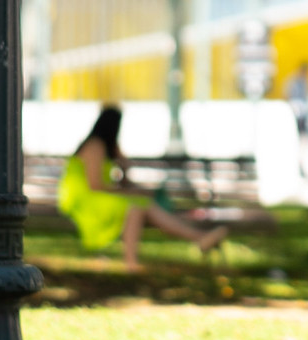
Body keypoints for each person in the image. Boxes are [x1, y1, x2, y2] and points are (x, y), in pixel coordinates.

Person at [59, 106, 229, 271]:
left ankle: (198, 237)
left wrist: (123, 166)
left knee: (141, 203)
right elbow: (95, 186)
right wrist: (130, 192)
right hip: (85, 200)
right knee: (136, 207)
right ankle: (134, 261)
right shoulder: (95, 146)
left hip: (97, 197)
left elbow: (121, 184)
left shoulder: (106, 149)